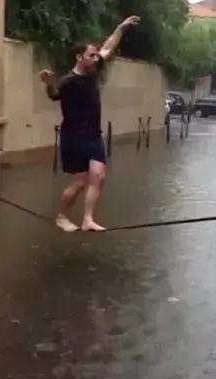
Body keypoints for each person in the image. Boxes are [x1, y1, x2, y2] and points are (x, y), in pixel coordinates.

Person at [39, 15, 141, 232]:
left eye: (96, 55)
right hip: (73, 137)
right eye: (91, 55)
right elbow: (54, 95)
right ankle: (62, 216)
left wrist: (121, 28)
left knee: (99, 175)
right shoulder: (68, 81)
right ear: (79, 57)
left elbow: (108, 47)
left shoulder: (94, 70)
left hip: (93, 135)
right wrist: (49, 84)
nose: (96, 58)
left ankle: (87, 219)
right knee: (79, 182)